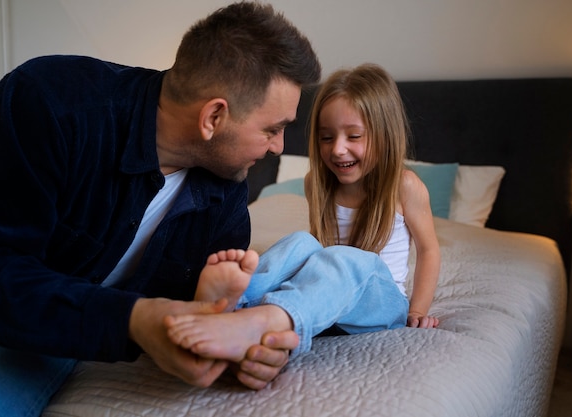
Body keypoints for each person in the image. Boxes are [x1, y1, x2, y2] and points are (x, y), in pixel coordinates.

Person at [0, 2, 321, 415]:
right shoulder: (50, 104)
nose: (279, 147)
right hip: (7, 333)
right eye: (273, 129)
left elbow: (201, 314)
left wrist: (235, 349)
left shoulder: (225, 191)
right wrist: (133, 320)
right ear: (213, 116)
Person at [165, 63, 441, 362]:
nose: (337, 150)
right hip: (330, 302)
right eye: (326, 137)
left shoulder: (405, 186)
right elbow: (317, 251)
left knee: (345, 257)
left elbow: (429, 250)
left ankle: (266, 320)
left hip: (381, 306)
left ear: (384, 135)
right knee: (302, 242)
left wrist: (417, 310)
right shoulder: (317, 183)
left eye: (354, 136)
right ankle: (231, 301)